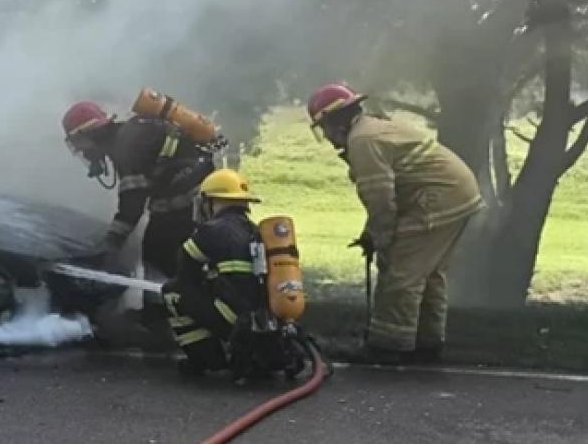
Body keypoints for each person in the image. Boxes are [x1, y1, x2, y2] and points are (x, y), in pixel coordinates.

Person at [307, 82, 484, 364]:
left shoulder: (362, 141)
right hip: (457, 195)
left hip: (435, 201)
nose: (327, 138)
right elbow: (385, 201)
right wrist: (372, 233)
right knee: (430, 273)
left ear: (334, 122)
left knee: (402, 274)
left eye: (323, 128)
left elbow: (379, 198)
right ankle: (427, 345)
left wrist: (381, 237)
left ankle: (389, 347)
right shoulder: (372, 129)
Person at [62, 100, 214, 277]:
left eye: (81, 144)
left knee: (157, 256)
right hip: (200, 199)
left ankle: (165, 302)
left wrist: (110, 243)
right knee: (162, 252)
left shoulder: (126, 147)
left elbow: (132, 205)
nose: (85, 152)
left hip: (187, 206)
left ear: (90, 134)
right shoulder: (130, 134)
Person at [162, 169, 274, 380]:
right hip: (265, 319)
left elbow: (184, 274)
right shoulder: (253, 229)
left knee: (172, 292)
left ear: (211, 202)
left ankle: (206, 359)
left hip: (234, 319)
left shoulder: (212, 230)